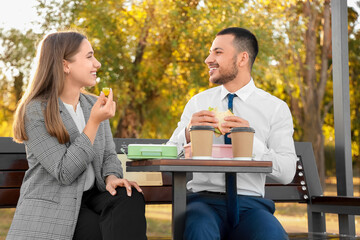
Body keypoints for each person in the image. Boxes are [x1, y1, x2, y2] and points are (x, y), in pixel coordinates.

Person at [7, 31, 147, 240]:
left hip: (92, 196)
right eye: (89, 57)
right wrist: (93, 123)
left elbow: (109, 155)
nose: (97, 64)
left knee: (130, 196)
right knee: (94, 230)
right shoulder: (35, 111)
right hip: (55, 201)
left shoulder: (92, 104)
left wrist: (111, 177)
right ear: (65, 65)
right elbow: (65, 172)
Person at [168, 27, 297, 240]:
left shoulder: (276, 108)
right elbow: (168, 154)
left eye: (217, 52)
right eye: (210, 52)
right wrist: (187, 134)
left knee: (271, 234)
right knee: (198, 230)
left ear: (242, 58)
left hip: (251, 206)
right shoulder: (198, 103)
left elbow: (286, 173)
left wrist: (249, 141)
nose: (208, 59)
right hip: (203, 202)